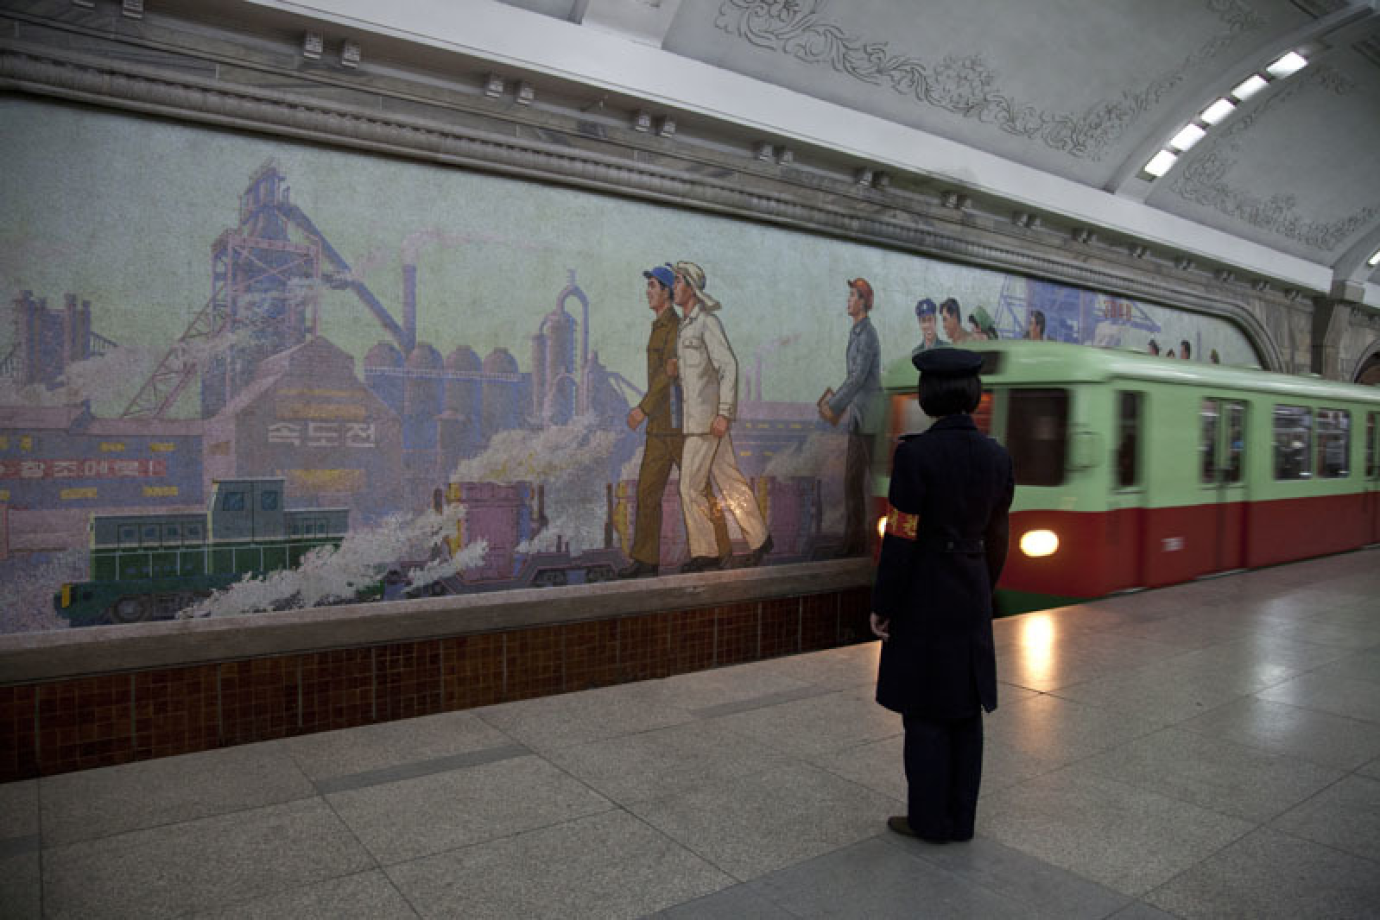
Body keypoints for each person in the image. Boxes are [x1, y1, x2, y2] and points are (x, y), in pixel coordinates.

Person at [870, 347, 1013, 844]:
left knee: (926, 710)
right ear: (973, 394)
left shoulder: (915, 456)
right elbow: (999, 536)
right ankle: (961, 819)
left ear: (928, 395)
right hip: (972, 591)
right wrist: (982, 586)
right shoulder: (997, 456)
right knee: (966, 711)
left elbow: (901, 537)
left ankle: (929, 821)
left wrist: (884, 604)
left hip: (925, 595)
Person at [619, 264, 730, 578]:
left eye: (653, 286)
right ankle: (646, 561)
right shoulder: (659, 327)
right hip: (660, 427)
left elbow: (667, 377)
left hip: (679, 425)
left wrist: (642, 409)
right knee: (647, 492)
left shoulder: (676, 329)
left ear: (667, 292)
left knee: (698, 490)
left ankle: (720, 550)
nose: (648, 292)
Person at [668, 261, 772, 571]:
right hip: (701, 421)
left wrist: (724, 413)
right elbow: (699, 375)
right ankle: (760, 538)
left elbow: (728, 366)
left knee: (689, 487)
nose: (674, 286)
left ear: (691, 288)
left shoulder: (706, 323)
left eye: (678, 281)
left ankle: (706, 552)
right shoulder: (685, 327)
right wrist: (676, 372)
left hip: (707, 422)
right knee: (730, 480)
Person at [819, 278, 882, 557]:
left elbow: (857, 378)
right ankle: (854, 542)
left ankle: (875, 538)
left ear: (863, 302)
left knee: (876, 482)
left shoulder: (867, 335)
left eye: (853, 296)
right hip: (859, 418)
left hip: (870, 419)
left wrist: (833, 405)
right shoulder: (856, 332)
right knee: (852, 481)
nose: (848, 300)